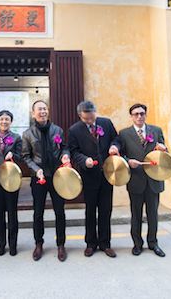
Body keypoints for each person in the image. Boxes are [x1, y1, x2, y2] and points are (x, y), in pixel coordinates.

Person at [109, 103, 167, 257]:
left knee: (153, 214)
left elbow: (163, 153)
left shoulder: (156, 130)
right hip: (135, 180)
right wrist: (128, 161)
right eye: (136, 114)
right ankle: (137, 244)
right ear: (131, 116)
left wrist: (163, 148)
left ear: (145, 114)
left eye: (142, 113)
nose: (139, 116)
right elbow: (119, 154)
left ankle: (153, 243)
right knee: (136, 214)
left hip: (154, 179)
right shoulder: (124, 134)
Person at [68, 100, 118, 258]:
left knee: (106, 210)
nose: (90, 121)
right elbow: (74, 151)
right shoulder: (74, 130)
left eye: (92, 117)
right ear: (80, 116)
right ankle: (90, 243)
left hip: (107, 174)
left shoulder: (106, 123)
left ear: (95, 112)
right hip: (89, 176)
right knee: (90, 211)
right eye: (86, 119)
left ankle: (105, 243)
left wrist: (114, 146)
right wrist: (84, 160)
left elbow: (116, 139)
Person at [22, 100, 71, 262]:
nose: (42, 111)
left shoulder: (57, 130)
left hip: (57, 175)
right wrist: (36, 170)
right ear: (33, 113)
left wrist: (65, 155)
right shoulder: (28, 134)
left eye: (44, 109)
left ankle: (61, 244)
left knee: (59, 212)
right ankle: (39, 243)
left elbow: (64, 147)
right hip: (39, 177)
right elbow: (26, 156)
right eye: (39, 109)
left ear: (47, 111)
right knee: (38, 213)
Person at [0, 110, 22, 256]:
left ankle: (13, 245)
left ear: (11, 122)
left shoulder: (16, 137)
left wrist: (13, 154)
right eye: (1, 119)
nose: (4, 122)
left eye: (7, 119)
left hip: (12, 179)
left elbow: (21, 156)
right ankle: (2, 244)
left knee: (12, 213)